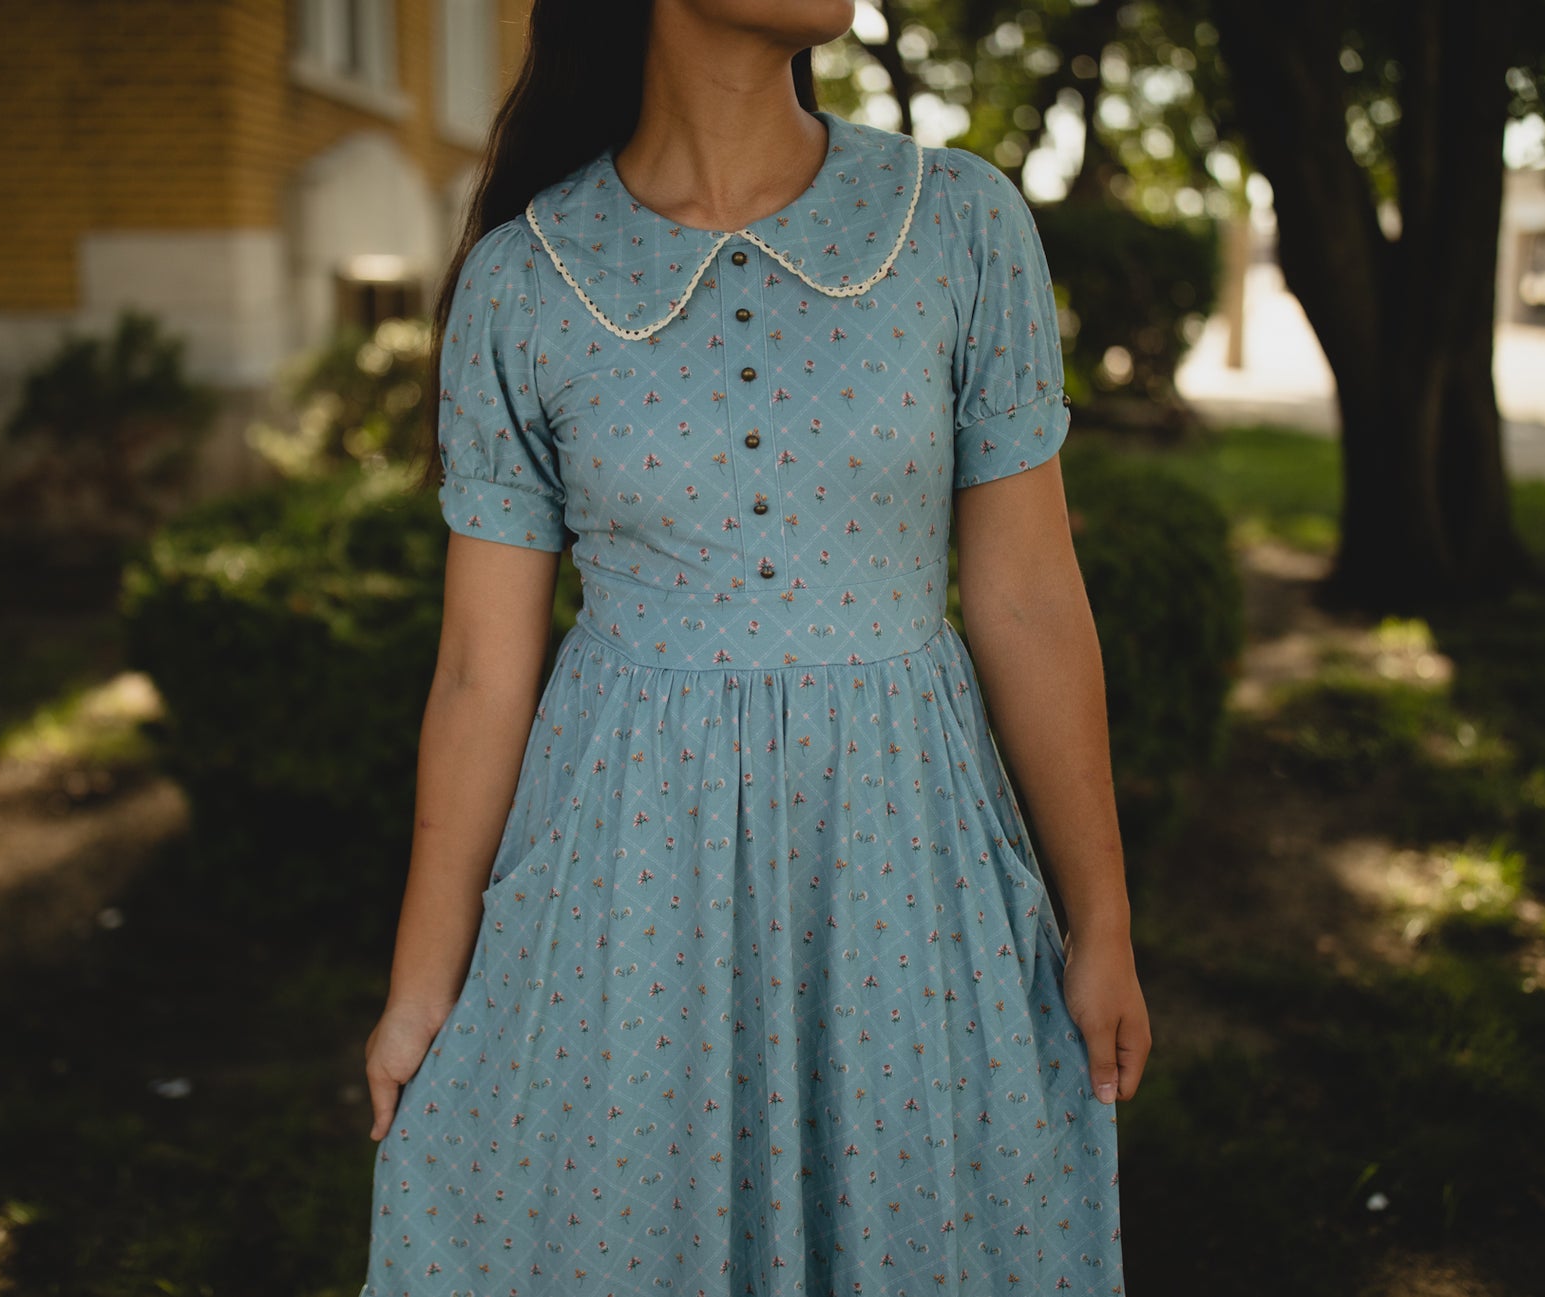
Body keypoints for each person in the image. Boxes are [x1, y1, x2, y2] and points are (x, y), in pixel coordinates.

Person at [359, 2, 1149, 1292]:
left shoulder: (957, 222)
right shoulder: (527, 278)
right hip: (626, 880)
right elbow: (478, 672)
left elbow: (1030, 601)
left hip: (903, 861)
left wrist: (1101, 920)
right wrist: (418, 989)